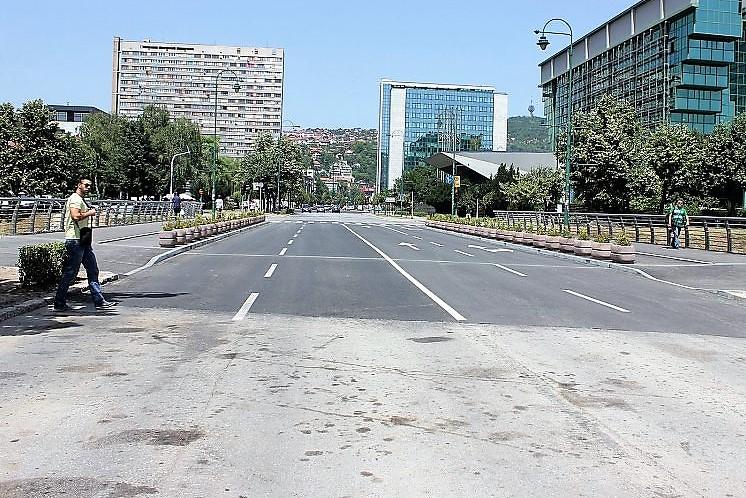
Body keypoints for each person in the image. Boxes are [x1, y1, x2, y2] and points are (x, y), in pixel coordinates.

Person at [53, 179, 117, 311]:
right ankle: (59, 303)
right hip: (75, 239)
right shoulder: (75, 199)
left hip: (83, 239)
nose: (88, 188)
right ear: (78, 185)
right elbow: (75, 216)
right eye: (86, 185)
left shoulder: (81, 199)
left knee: (93, 269)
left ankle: (99, 301)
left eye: (90, 186)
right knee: (70, 272)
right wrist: (90, 213)